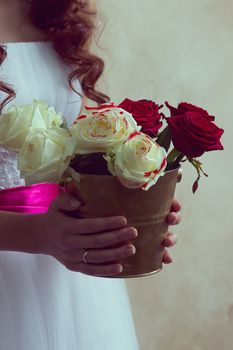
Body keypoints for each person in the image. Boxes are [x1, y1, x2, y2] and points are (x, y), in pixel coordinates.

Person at [0, 1, 182, 349]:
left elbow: (76, 151)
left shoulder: (58, 9)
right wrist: (38, 236)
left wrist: (134, 203)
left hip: (70, 272)